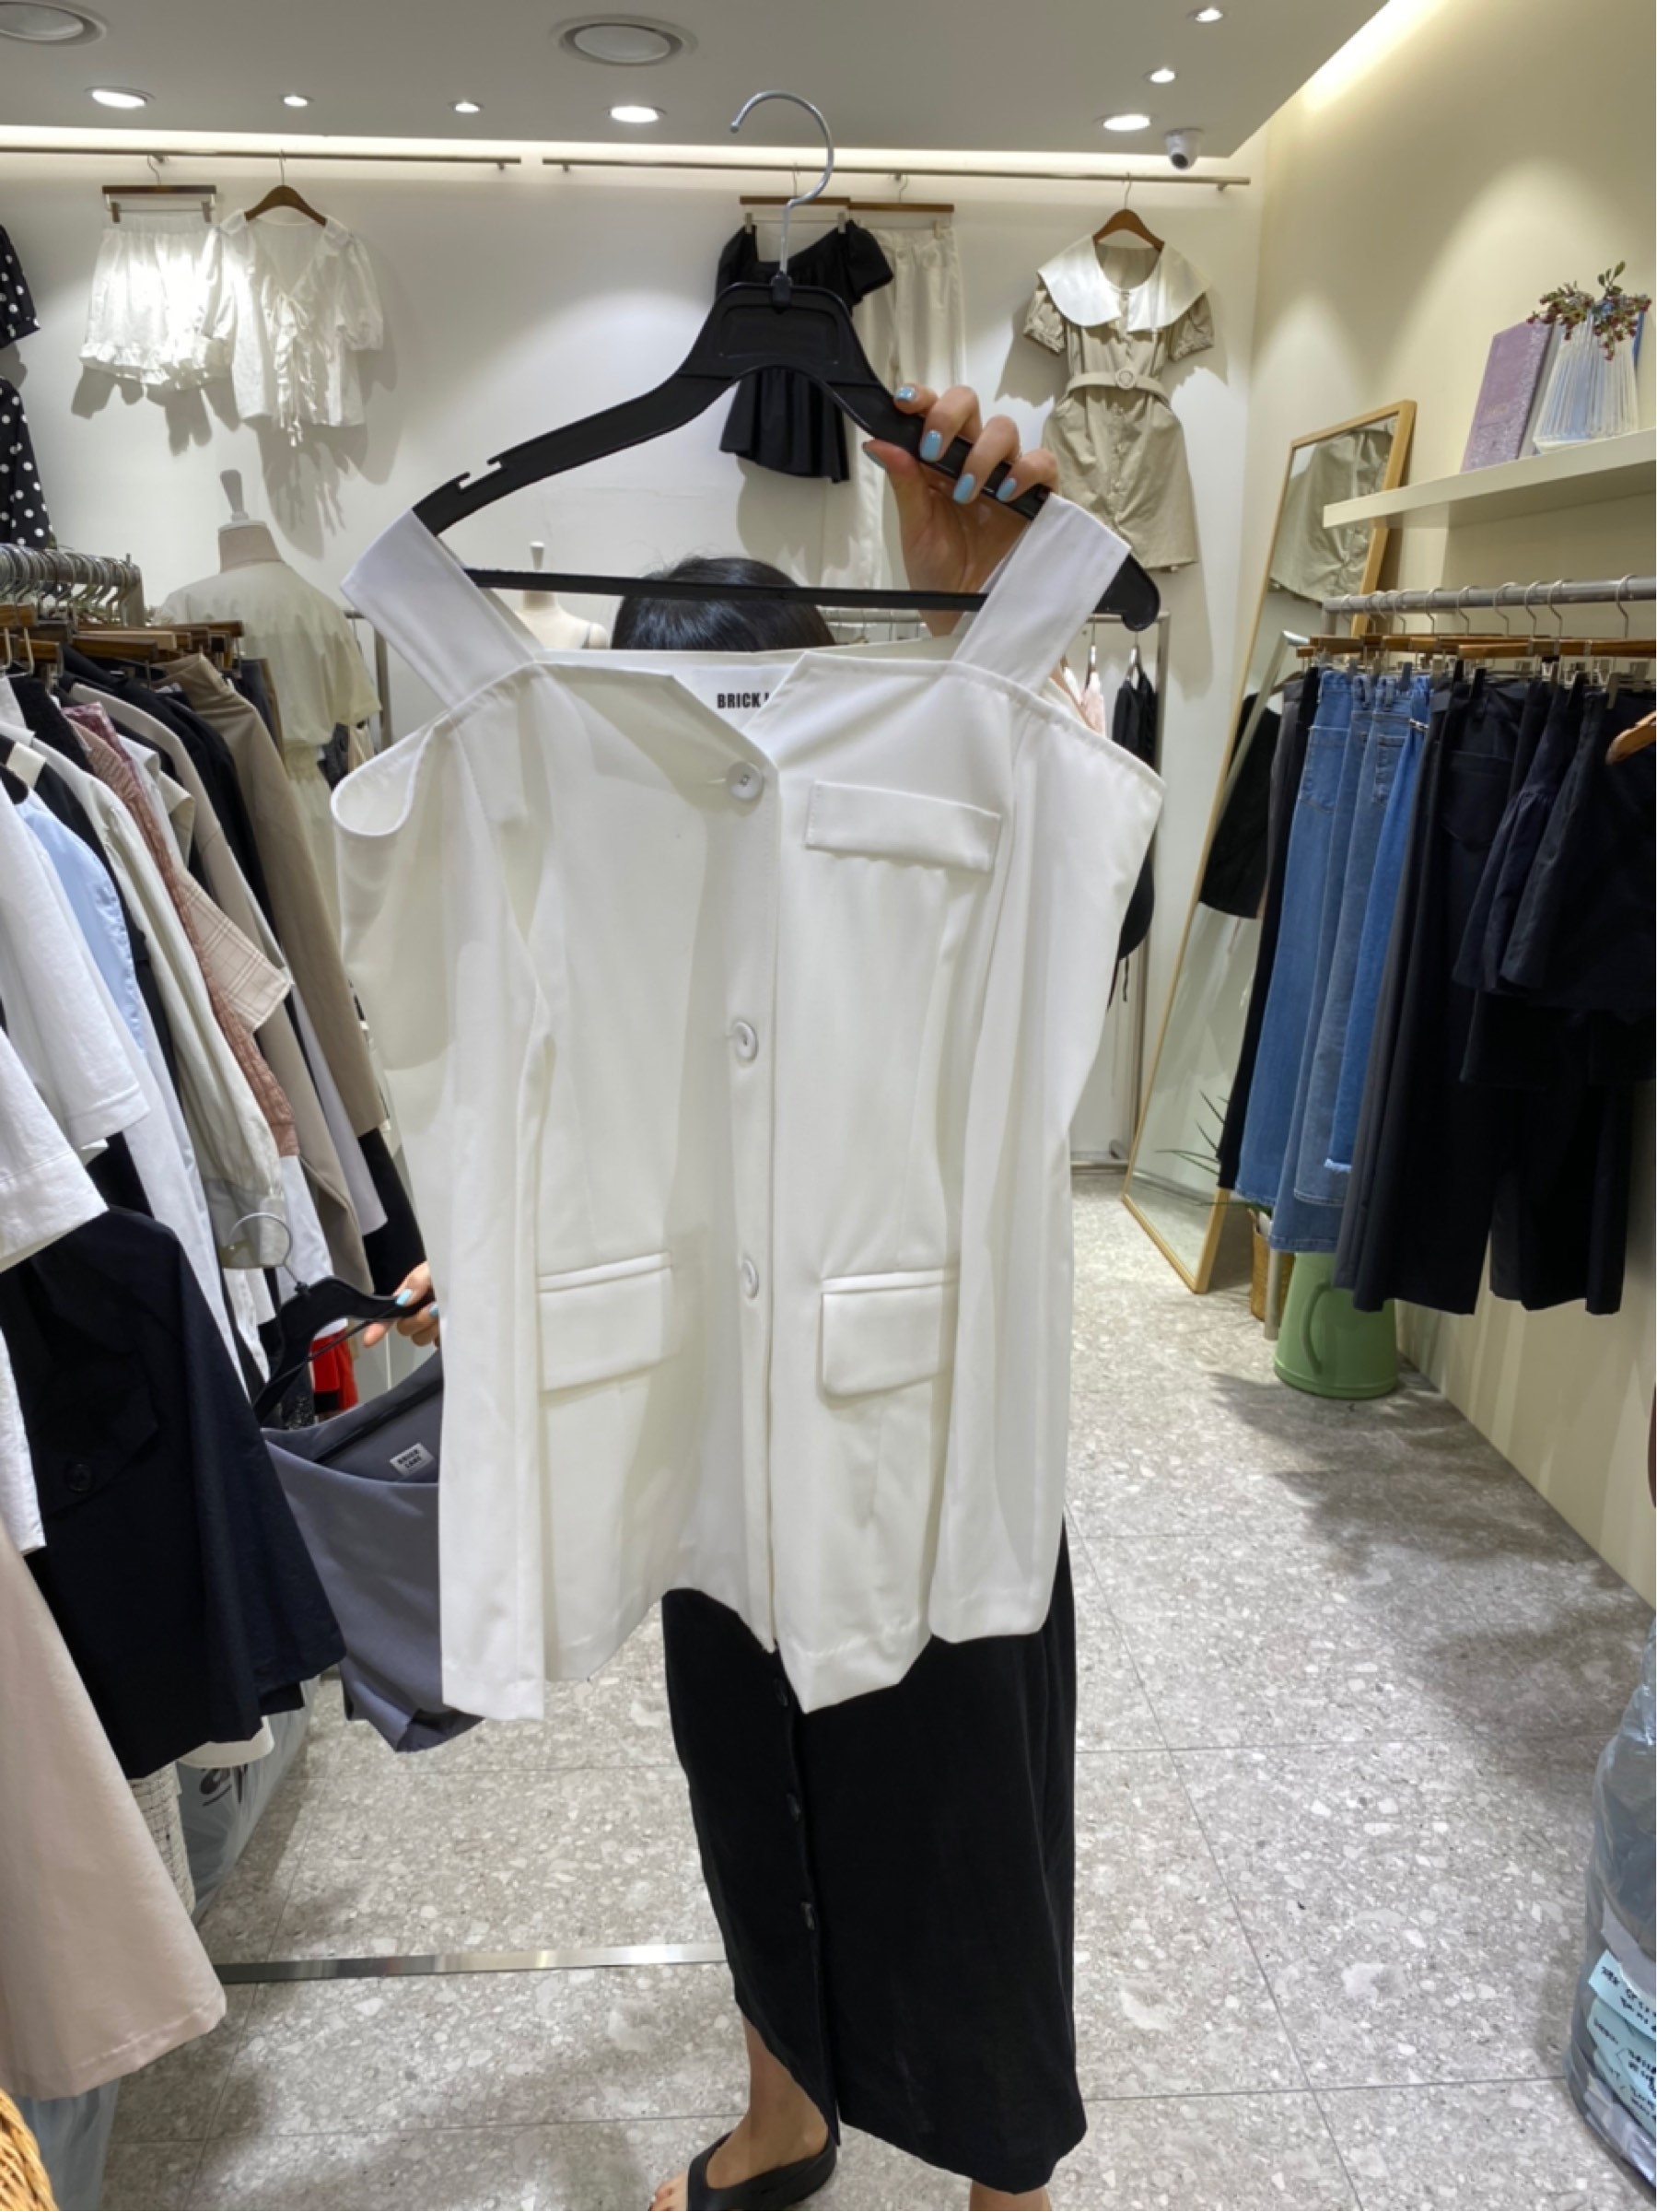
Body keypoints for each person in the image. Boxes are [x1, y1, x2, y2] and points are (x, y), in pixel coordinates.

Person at [367, 386, 1087, 2212]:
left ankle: (1011, 2176)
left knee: (975, 1825)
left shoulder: (978, 749)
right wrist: (496, 1248)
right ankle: (787, 2111)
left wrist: (986, 631)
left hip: (924, 1436)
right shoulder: (548, 789)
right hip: (694, 1424)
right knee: (748, 1786)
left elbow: (1082, 929)